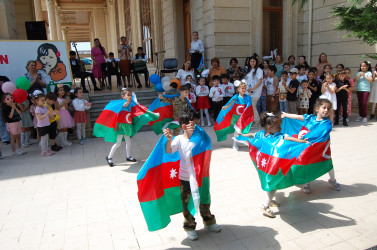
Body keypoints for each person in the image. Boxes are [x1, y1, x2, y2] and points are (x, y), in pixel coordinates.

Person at [163, 110, 221, 241]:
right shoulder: (178, 139)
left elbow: (208, 144)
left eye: (196, 123)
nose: (197, 126)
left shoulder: (200, 137)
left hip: (201, 176)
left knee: (204, 198)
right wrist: (169, 139)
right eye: (193, 124)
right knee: (187, 203)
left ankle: (209, 221)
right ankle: (190, 227)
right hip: (185, 178)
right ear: (184, 126)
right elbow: (168, 151)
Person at [241, 112, 310, 218]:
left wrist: (300, 141)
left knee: (272, 183)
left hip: (268, 166)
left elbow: (289, 138)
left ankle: (270, 200)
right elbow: (250, 135)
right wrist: (242, 135)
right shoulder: (270, 136)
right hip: (270, 167)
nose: (280, 128)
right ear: (269, 127)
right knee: (273, 184)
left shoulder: (265, 134)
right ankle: (265, 205)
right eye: (278, 126)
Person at [282, 98, 341, 194]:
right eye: (324, 108)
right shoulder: (311, 118)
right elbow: (298, 117)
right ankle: (306, 182)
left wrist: (308, 141)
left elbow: (319, 135)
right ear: (317, 109)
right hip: (308, 147)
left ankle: (333, 180)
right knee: (307, 163)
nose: (326, 110)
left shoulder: (327, 123)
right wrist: (286, 115)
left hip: (321, 150)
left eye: (328, 109)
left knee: (328, 164)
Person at [105, 89, 137, 167]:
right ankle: (109, 157)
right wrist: (129, 101)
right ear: (123, 96)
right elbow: (124, 105)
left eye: (130, 95)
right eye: (128, 95)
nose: (130, 96)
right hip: (121, 125)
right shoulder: (122, 103)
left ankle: (128, 156)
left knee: (128, 141)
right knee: (118, 143)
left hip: (127, 124)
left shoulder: (131, 103)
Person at [221, 81, 252, 151]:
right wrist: (226, 107)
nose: (244, 89)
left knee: (244, 130)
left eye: (245, 88)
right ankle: (235, 144)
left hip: (244, 117)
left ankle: (244, 141)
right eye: (242, 88)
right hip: (236, 117)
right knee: (237, 130)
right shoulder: (236, 97)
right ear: (238, 89)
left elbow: (249, 106)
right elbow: (231, 102)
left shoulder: (247, 97)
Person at [245, 56, 263, 126]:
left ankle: (257, 121)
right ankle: (252, 121)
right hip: (248, 91)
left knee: (253, 106)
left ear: (256, 62)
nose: (252, 63)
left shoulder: (259, 70)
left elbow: (260, 80)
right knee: (249, 106)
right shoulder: (249, 70)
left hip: (255, 92)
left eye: (254, 61)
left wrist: (253, 88)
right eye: (251, 61)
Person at [0, 75, 11, 145]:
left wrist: (2, 85)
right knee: (1, 122)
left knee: (9, 119)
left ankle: (12, 136)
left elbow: (10, 88)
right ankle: (5, 138)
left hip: (6, 103)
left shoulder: (4, 78)